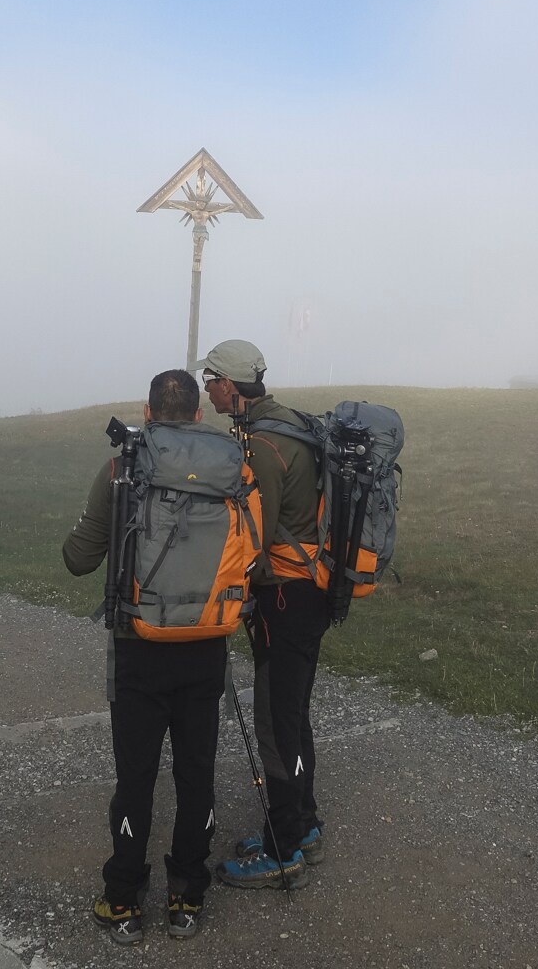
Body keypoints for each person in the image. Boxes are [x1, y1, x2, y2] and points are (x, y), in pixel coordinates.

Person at [63, 367, 225, 944]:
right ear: (200, 416)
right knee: (196, 774)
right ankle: (186, 896)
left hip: (139, 647)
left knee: (135, 777)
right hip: (207, 642)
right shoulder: (232, 469)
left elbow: (78, 559)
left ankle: (124, 902)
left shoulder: (120, 469)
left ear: (149, 412)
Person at [200, 339, 329, 890]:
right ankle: (304, 826)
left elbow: (253, 534)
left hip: (284, 597)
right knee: (293, 711)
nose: (207, 390)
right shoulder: (291, 425)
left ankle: (282, 849)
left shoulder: (262, 444)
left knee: (277, 723)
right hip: (311, 589)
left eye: (210, 380)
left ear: (230, 384)